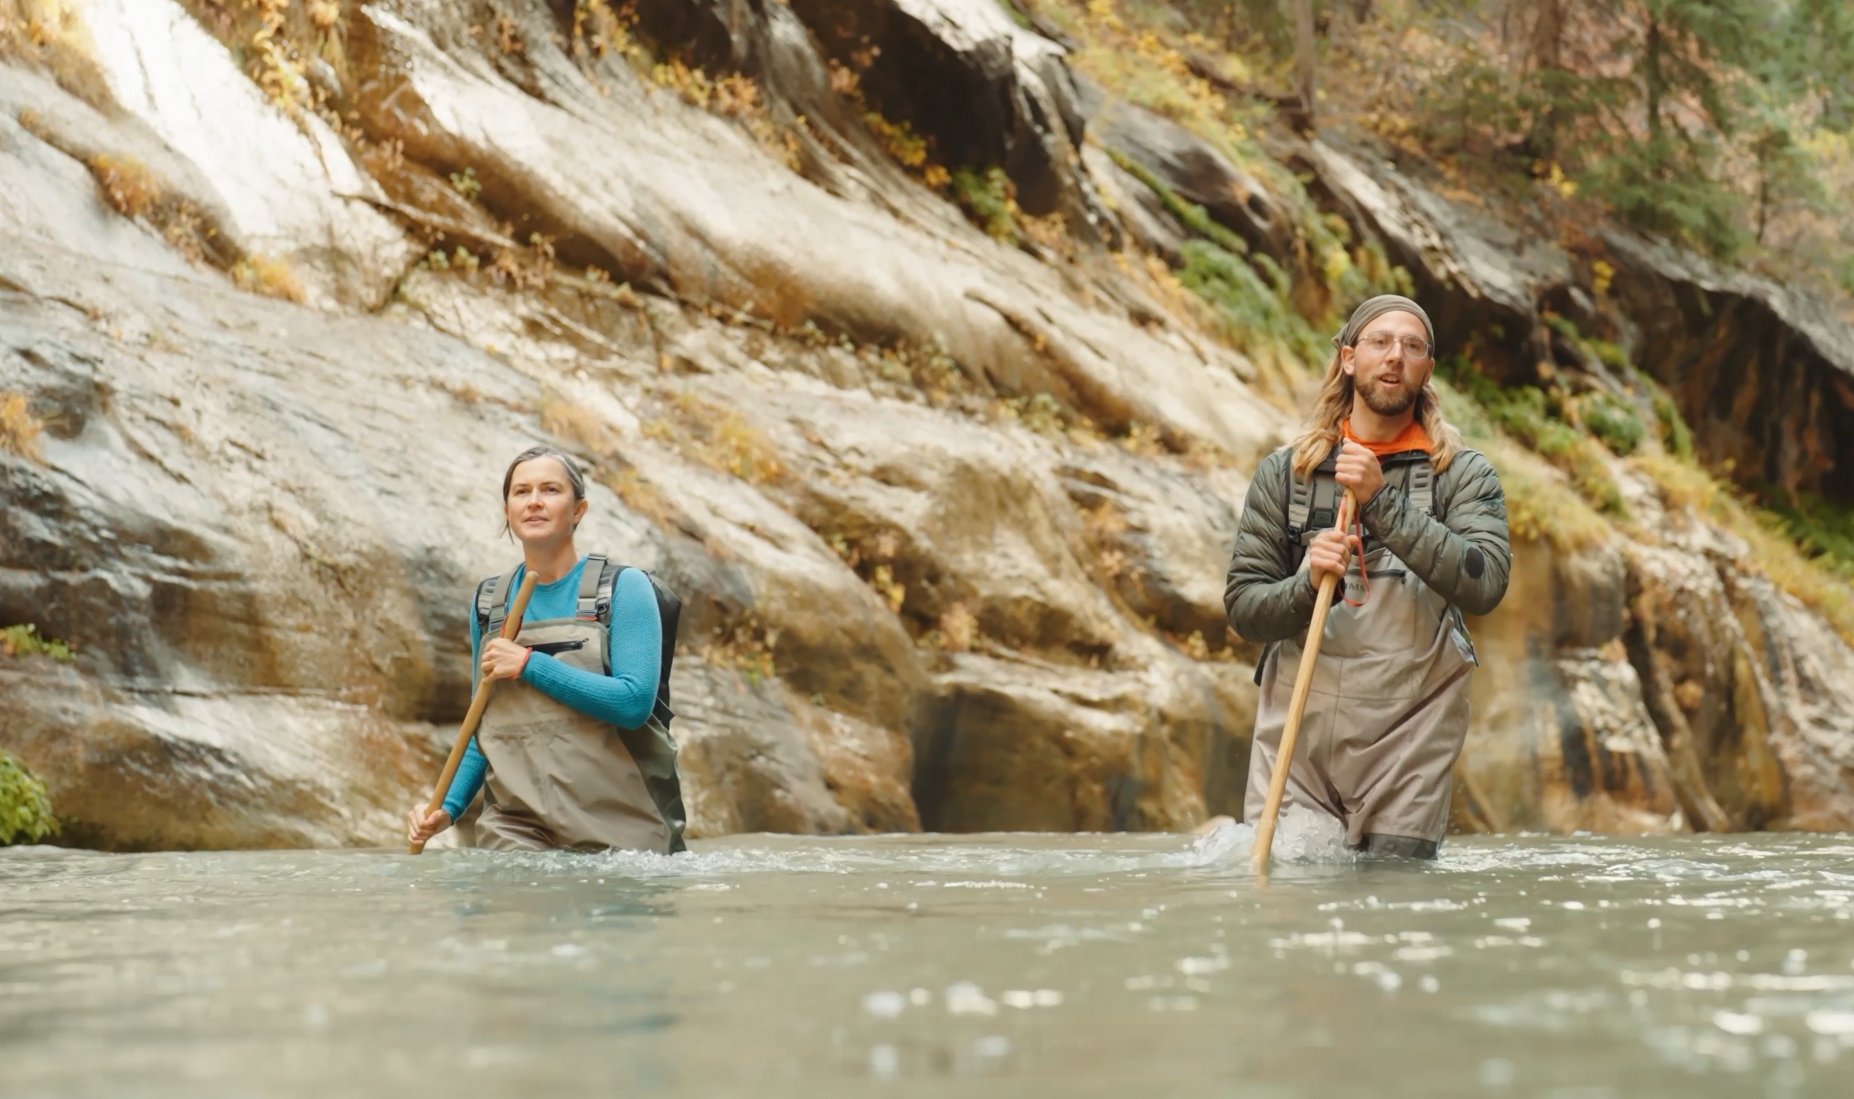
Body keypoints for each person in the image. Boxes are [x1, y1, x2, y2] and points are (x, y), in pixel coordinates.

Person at [1224, 295, 1511, 859]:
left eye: (1412, 346)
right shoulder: (1287, 474)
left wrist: (1380, 501)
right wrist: (1306, 585)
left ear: (1428, 368)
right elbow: (1244, 609)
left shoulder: (1462, 474)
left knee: (1391, 911)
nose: (1395, 356)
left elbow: (1486, 583)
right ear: (1349, 359)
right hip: (1299, 739)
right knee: (1289, 908)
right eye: (1380, 342)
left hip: (1412, 738)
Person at [407, 446, 687, 854]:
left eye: (550, 489)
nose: (534, 501)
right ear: (507, 510)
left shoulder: (625, 589)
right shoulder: (490, 603)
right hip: (516, 831)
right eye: (521, 492)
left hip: (623, 832)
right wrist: (446, 809)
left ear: (578, 510)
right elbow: (481, 723)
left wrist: (528, 664)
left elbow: (633, 703)